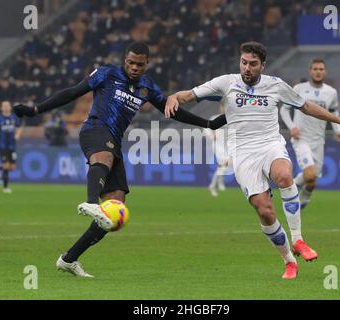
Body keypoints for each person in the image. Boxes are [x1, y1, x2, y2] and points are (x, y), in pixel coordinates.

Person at [13, 42, 226, 278]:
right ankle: (91, 202)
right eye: (130, 63)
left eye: (139, 64)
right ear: (124, 60)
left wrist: (208, 123)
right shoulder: (106, 73)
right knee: (102, 160)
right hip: (95, 129)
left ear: (147, 63)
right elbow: (73, 92)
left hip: (114, 141)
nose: (134, 67)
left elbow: (171, 109)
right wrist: (35, 110)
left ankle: (69, 259)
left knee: (115, 209)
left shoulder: (147, 87)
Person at [164, 41, 340, 279]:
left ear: (263, 65)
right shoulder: (226, 82)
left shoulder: (276, 85)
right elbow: (188, 95)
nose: (247, 68)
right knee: (265, 211)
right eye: (244, 62)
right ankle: (289, 260)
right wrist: (173, 97)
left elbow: (306, 107)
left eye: (253, 64)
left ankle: (299, 239)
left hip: (270, 144)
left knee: (284, 175)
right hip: (242, 153)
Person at [280, 58, 340, 209]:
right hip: (301, 138)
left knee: (312, 181)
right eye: (315, 69)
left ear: (325, 72)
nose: (318, 72)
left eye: (321, 69)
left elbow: (333, 112)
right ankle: (290, 190)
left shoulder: (331, 92)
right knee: (309, 175)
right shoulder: (299, 88)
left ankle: (304, 195)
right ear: (310, 71)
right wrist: (291, 127)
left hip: (318, 141)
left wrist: (339, 131)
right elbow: (284, 109)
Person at [0, 101, 22, 193]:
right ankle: (5, 187)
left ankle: (0, 167)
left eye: (7, 106)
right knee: (6, 165)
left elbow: (19, 127)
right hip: (2, 144)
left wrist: (18, 134)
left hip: (12, 144)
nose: (6, 107)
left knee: (12, 167)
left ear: (10, 107)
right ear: (1, 108)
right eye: (4, 106)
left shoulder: (14, 117)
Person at [204, 106, 232, 197]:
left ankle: (217, 183)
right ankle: (214, 185)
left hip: (227, 146)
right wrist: (212, 136)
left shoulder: (231, 118)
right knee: (224, 163)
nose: (223, 109)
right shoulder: (215, 118)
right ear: (220, 108)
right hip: (218, 145)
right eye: (222, 107)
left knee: (224, 166)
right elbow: (206, 128)